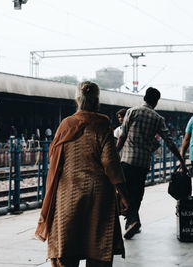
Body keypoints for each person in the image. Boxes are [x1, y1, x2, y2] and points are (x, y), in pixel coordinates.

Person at [36, 81, 129, 267]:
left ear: (77, 99)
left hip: (67, 193)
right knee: (98, 246)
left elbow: (55, 161)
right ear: (97, 100)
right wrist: (123, 193)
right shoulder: (102, 123)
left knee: (67, 244)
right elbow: (110, 162)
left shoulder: (65, 124)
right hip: (98, 195)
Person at [116, 87, 187, 240]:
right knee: (138, 192)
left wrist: (114, 153)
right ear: (156, 101)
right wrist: (181, 159)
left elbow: (122, 136)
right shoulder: (157, 118)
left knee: (125, 191)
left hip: (127, 160)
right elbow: (169, 142)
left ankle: (131, 220)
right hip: (143, 162)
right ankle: (133, 221)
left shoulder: (132, 112)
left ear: (145, 98)